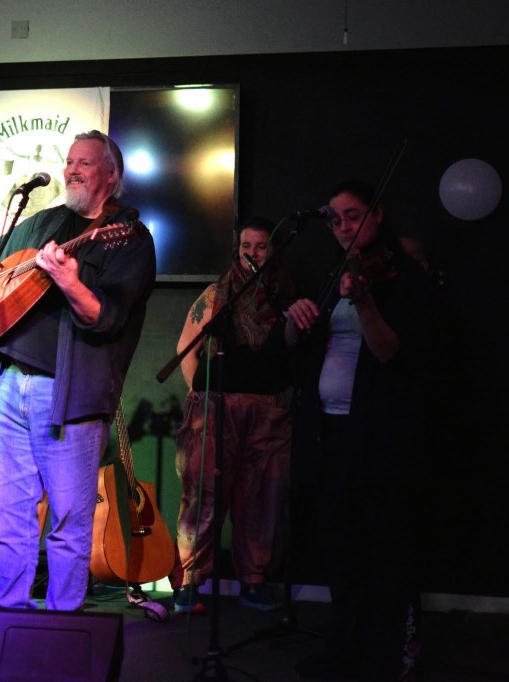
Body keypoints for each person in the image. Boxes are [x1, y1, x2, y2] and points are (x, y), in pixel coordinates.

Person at [0, 131, 156, 626]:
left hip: (70, 396)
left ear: (111, 175)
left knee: (69, 520)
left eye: (84, 163)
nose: (72, 170)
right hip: (11, 384)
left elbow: (106, 318)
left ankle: (63, 626)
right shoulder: (47, 220)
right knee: (8, 512)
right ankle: (10, 615)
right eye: (69, 161)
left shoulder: (128, 238)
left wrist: (69, 280)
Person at [285, 180, 431, 681]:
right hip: (329, 433)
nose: (343, 226)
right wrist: (296, 318)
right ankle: (343, 649)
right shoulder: (333, 275)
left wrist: (366, 302)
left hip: (380, 436)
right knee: (341, 551)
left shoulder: (403, 278)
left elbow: (391, 353)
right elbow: (300, 347)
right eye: (335, 218)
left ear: (378, 214)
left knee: (384, 552)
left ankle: (385, 656)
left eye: (353, 215)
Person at [170, 217, 294, 613]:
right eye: (246, 246)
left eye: (261, 246)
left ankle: (254, 581)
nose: (253, 253)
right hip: (217, 408)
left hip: (267, 411)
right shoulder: (217, 294)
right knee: (202, 496)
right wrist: (200, 396)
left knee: (261, 499)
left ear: (272, 250)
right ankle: (191, 581)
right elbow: (187, 348)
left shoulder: (286, 295)